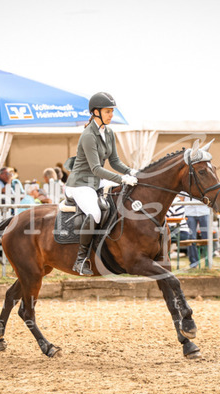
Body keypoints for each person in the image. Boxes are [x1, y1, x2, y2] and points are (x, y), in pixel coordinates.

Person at [64, 92, 137, 275]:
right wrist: (121, 179)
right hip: (80, 183)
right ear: (96, 112)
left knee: (121, 197)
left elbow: (115, 162)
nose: (111, 115)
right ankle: (81, 260)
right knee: (95, 212)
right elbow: (96, 168)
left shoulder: (109, 132)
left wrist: (131, 172)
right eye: (107, 111)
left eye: (112, 111)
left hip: (95, 181)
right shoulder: (88, 135)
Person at [185, 197, 210, 269]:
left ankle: (208, 261)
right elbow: (181, 197)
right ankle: (193, 262)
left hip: (204, 211)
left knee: (207, 237)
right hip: (190, 212)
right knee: (191, 238)